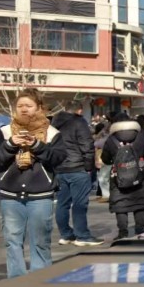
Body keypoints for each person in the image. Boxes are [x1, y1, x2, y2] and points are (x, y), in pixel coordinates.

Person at [0, 88, 67, 277]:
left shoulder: (52, 133)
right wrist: (10, 145)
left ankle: (39, 281)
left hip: (40, 195)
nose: (24, 109)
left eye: (29, 106)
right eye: (20, 106)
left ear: (39, 108)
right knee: (12, 242)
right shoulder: (5, 131)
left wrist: (36, 145)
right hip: (11, 195)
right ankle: (16, 282)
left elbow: (58, 158)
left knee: (41, 242)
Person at [51, 100, 102, 246]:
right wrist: (88, 167)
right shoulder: (79, 123)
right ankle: (82, 235)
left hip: (60, 168)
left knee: (62, 203)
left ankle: (66, 234)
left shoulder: (55, 123)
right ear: (79, 111)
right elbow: (87, 145)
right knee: (80, 203)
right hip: (77, 167)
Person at [101, 115, 144, 238]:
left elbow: (105, 159)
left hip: (118, 178)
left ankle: (123, 232)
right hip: (139, 176)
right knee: (139, 204)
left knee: (121, 204)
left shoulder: (111, 139)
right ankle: (140, 229)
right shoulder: (141, 137)